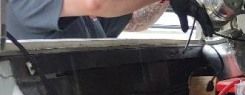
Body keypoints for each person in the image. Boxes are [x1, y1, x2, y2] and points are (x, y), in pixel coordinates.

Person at [7, 0, 215, 40]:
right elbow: (95, 3)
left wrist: (166, 2)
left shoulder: (75, 15)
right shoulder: (20, 4)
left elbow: (136, 21)